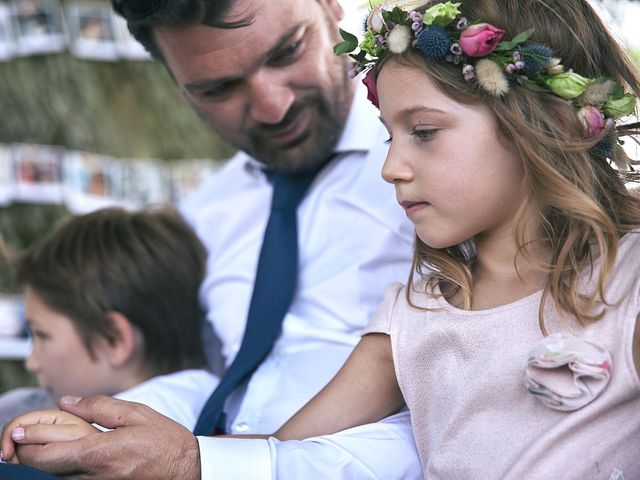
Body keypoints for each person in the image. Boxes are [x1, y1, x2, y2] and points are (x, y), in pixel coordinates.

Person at [0, 0, 420, 478]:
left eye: (287, 52)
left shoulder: (448, 185)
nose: (272, 106)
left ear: (331, 7)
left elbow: (463, 426)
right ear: (178, 87)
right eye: (219, 88)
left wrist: (208, 465)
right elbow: (204, 383)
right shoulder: (205, 217)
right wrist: (102, 429)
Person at [247, 0, 640, 477]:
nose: (391, 169)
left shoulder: (628, 286)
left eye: (424, 131)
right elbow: (278, 453)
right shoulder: (412, 316)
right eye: (391, 137)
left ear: (546, 122)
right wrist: (182, 455)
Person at [0, 207, 218, 434]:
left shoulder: (98, 444)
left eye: (42, 336)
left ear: (113, 339)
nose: (32, 362)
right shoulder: (212, 408)